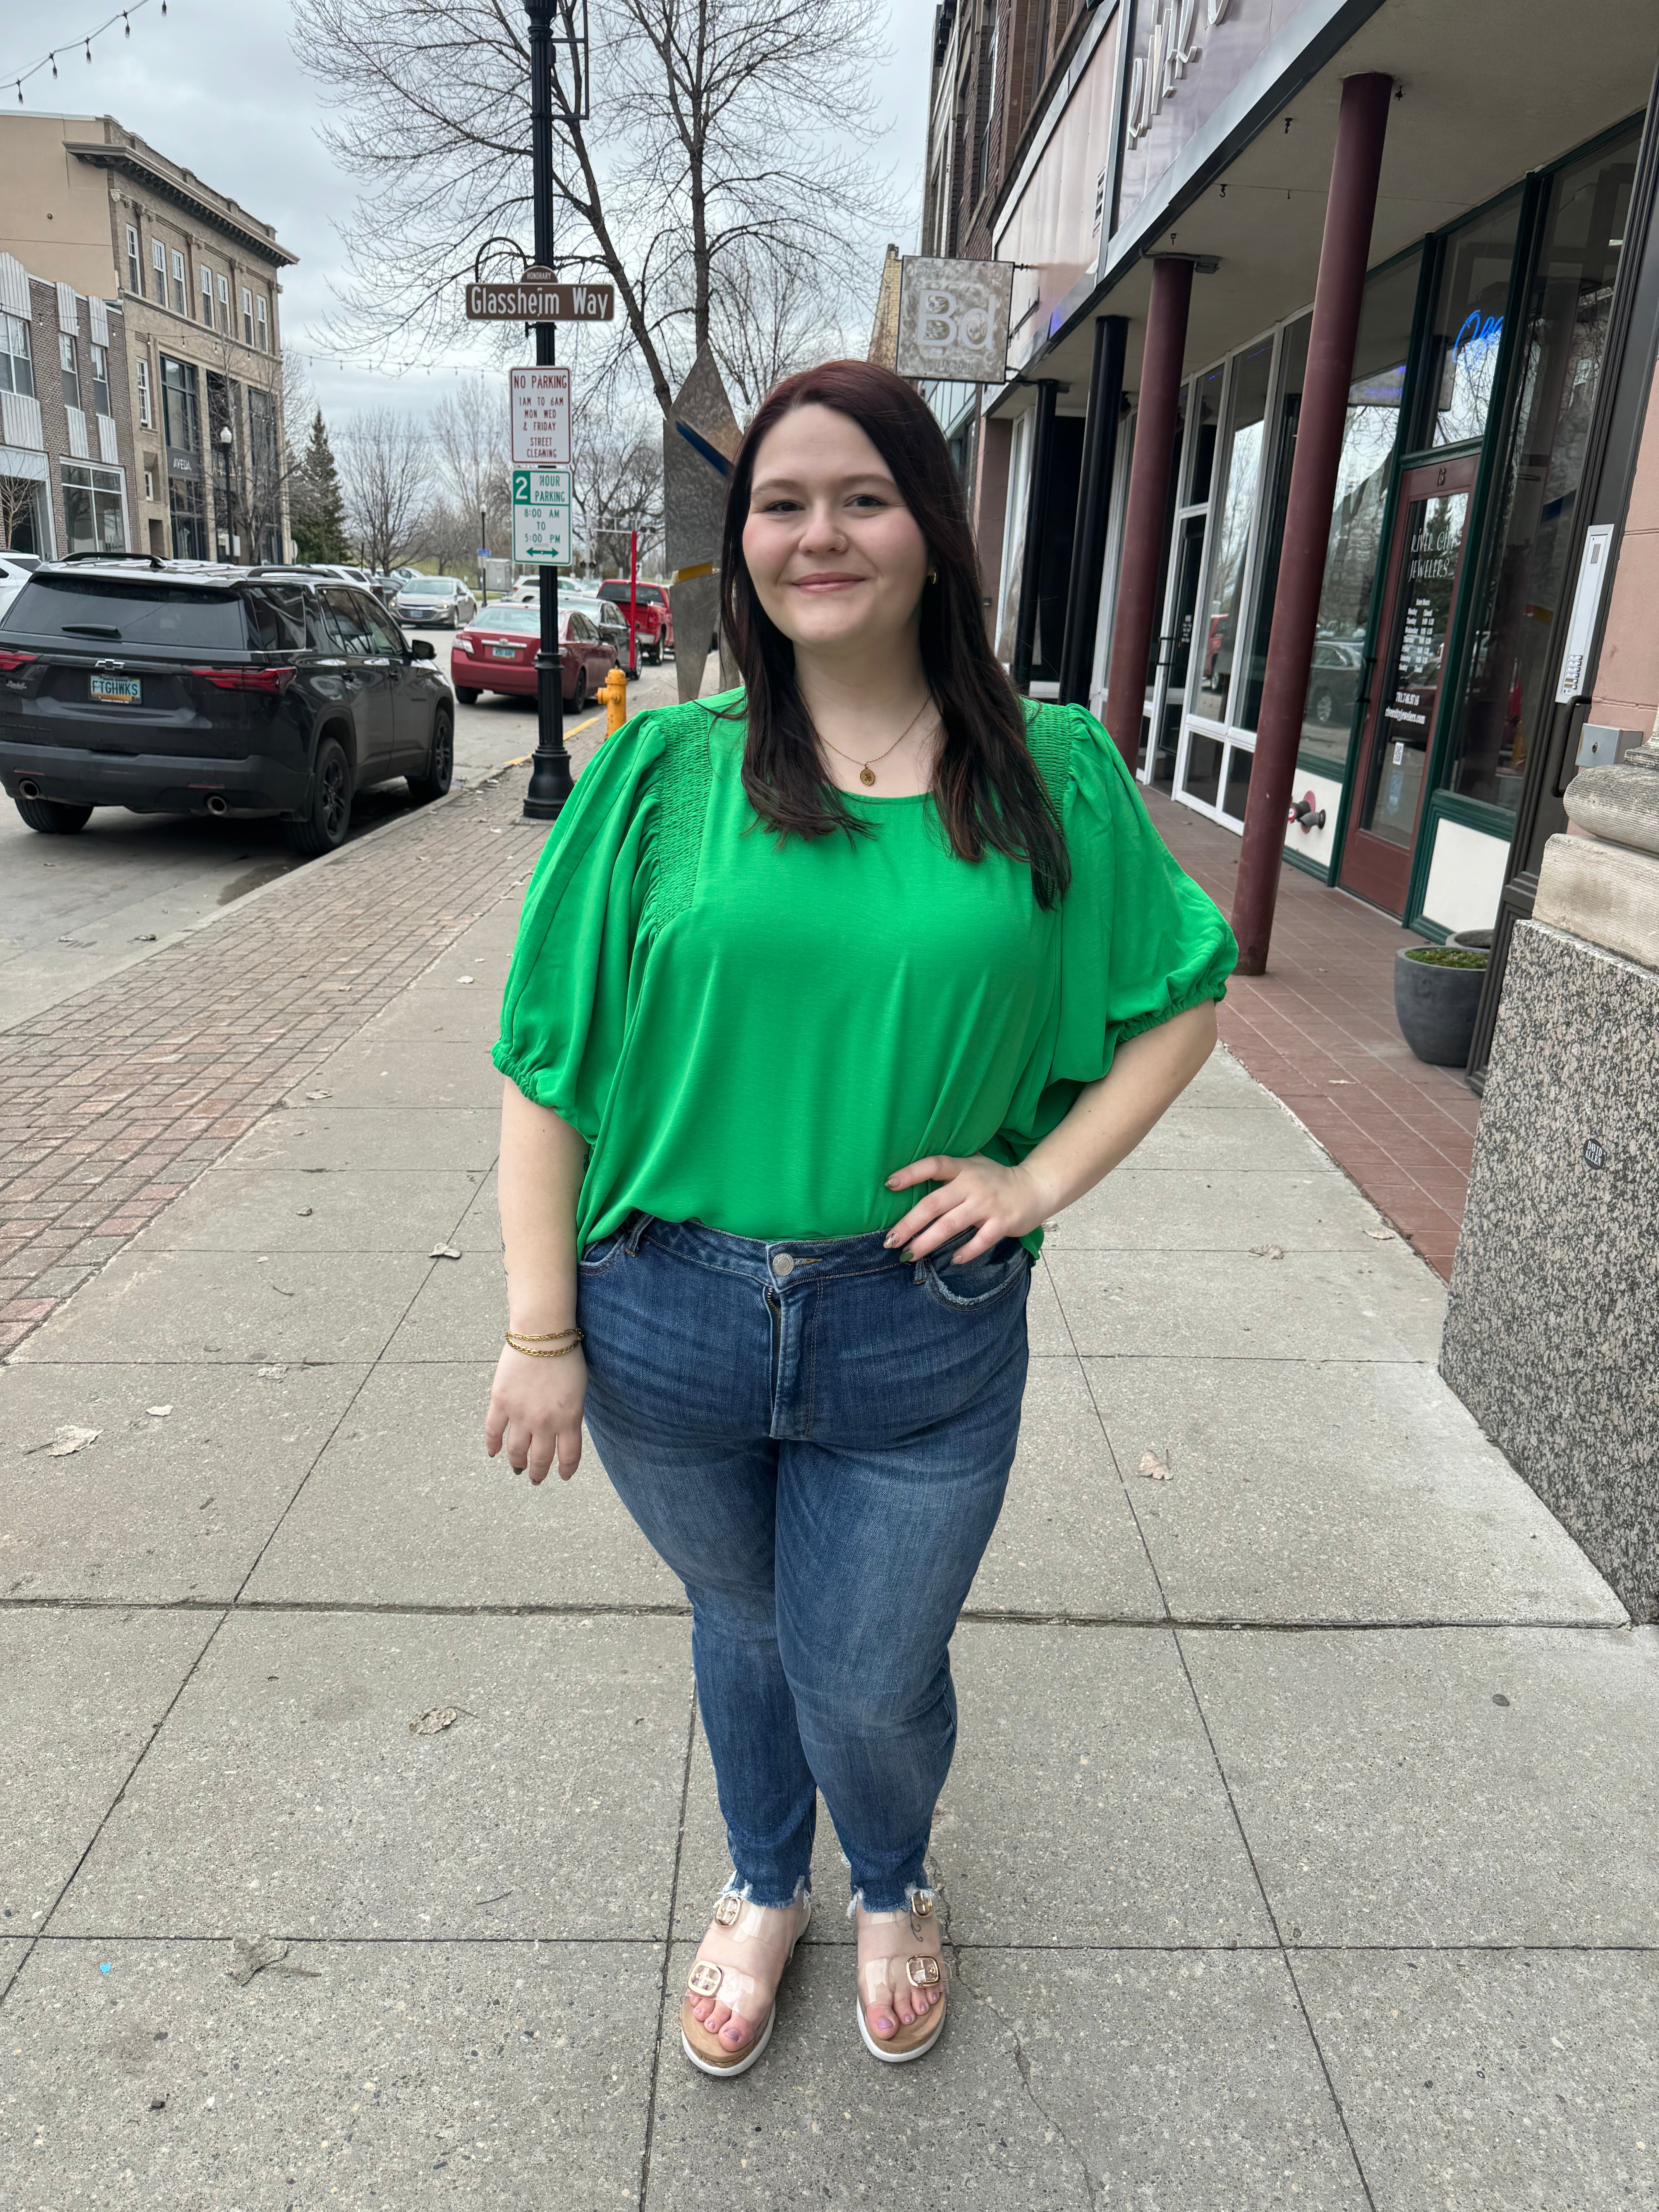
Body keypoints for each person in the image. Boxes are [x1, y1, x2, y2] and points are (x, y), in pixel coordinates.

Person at [484, 360, 1236, 2077]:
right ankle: (766, 1882)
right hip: (663, 1312)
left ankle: (889, 1876)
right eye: (780, 504)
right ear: (743, 543)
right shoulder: (660, 771)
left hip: (920, 1324)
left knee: (868, 1671)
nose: (816, 535)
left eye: (861, 498)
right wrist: (539, 1328)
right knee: (746, 1627)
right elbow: (548, 1068)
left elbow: (1181, 1000)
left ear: (934, 531)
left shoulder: (1049, 771)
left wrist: (1035, 1182)